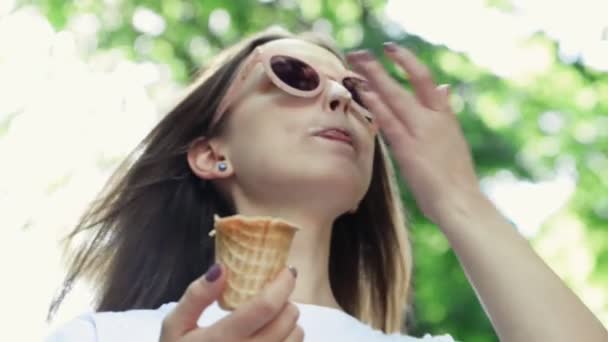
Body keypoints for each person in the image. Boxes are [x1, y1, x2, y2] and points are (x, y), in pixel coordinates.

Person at [45, 26, 607, 342]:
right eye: (294, 76)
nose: (340, 98)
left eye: (358, 95)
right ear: (212, 154)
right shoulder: (101, 336)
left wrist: (459, 200)